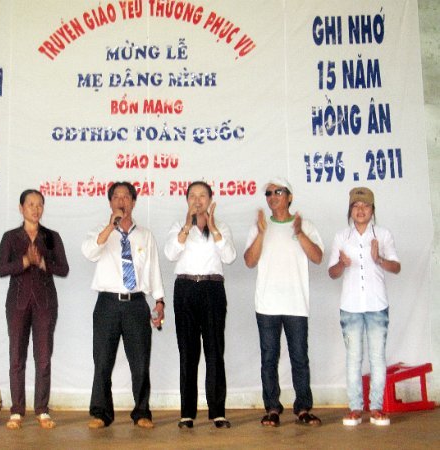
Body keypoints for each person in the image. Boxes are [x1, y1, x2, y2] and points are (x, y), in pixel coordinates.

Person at [81, 181, 165, 429]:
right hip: (107, 303)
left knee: (140, 362)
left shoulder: (145, 235)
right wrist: (110, 227)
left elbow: (153, 270)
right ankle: (101, 413)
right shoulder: (100, 232)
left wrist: (159, 301)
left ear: (134, 202)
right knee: (102, 361)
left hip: (136, 304)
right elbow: (89, 252)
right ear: (110, 203)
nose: (121, 201)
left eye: (126, 197)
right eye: (116, 197)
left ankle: (142, 412)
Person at [243, 177, 324, 427]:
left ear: (290, 197)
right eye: (268, 193)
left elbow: (318, 257)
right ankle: (272, 408)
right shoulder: (260, 226)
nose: (273, 197)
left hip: (296, 303)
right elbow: (249, 261)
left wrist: (299, 233)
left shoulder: (305, 225)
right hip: (267, 304)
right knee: (269, 358)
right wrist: (261, 233)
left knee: (299, 357)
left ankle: (303, 408)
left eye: (278, 192)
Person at [164, 181, 237, 429]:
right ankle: (187, 413)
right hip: (185, 289)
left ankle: (217, 412)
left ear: (210, 200)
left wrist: (213, 228)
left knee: (215, 351)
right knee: (188, 352)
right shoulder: (178, 226)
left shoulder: (221, 227)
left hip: (212, 289)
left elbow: (230, 256)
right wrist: (187, 226)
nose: (197, 200)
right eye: (193, 196)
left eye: (202, 195)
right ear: (187, 201)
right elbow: (170, 254)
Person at [0, 189, 69, 430]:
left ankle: (42, 410)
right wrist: (25, 262)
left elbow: (64, 268)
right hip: (17, 304)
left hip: (45, 304)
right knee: (16, 357)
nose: (35, 209)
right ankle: (17, 411)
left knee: (43, 357)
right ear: (21, 208)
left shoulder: (51, 236)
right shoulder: (10, 237)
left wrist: (43, 263)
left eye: (39, 204)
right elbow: (1, 269)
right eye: (31, 204)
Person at [328, 187, 400, 427]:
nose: (360, 210)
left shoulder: (383, 235)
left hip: (377, 305)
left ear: (372, 209)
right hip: (350, 306)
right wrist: (341, 264)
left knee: (378, 358)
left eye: (365, 206)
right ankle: (355, 408)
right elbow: (332, 273)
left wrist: (379, 259)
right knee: (353, 358)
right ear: (350, 210)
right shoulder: (341, 237)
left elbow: (396, 267)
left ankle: (376, 407)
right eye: (356, 206)